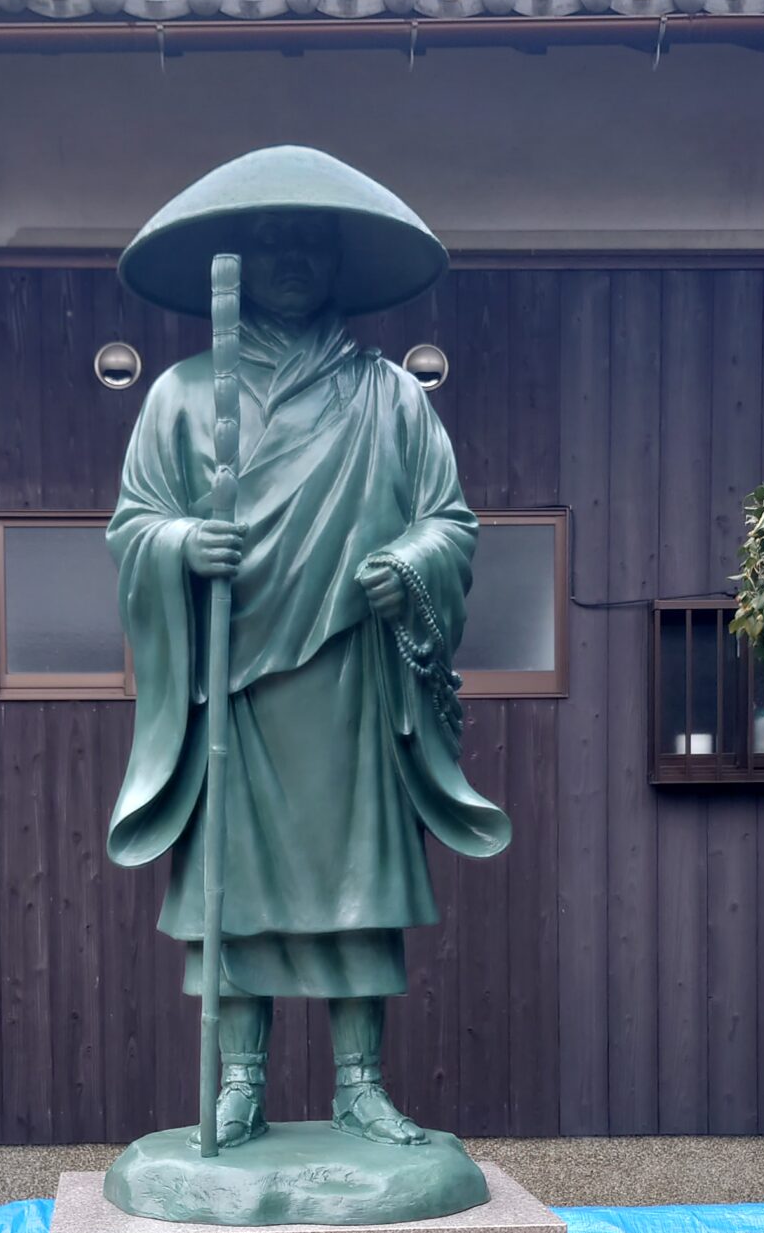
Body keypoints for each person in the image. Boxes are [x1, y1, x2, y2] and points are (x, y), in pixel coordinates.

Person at [107, 148, 511, 1149]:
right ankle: (239, 1083)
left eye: (310, 241)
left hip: (347, 679)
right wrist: (179, 545)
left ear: (338, 260)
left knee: (355, 888)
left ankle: (360, 1084)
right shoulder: (182, 395)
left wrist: (410, 565)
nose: (291, 258)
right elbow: (133, 525)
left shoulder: (392, 396)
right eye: (272, 239)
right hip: (234, 682)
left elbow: (450, 522)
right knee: (237, 892)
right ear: (241, 259)